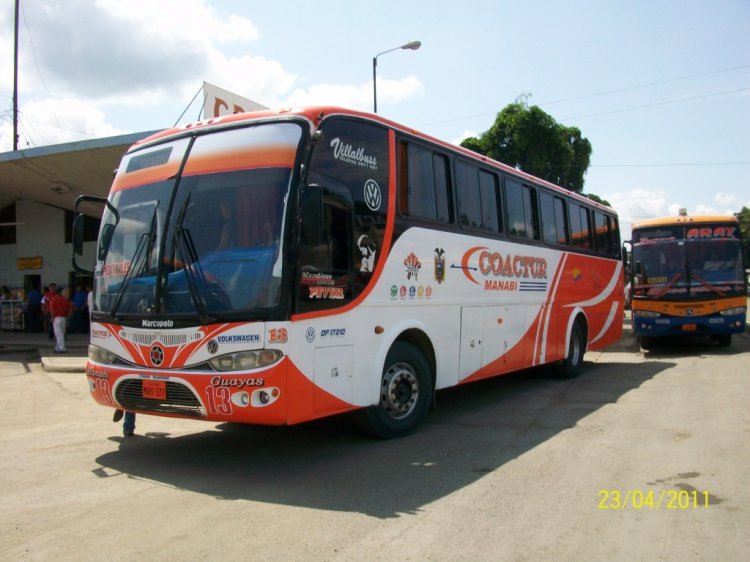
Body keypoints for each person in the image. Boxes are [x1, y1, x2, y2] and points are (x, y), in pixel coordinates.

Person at [48, 286, 72, 353]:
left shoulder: (53, 299)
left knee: (58, 334)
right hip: (63, 318)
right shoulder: (64, 299)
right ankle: (57, 348)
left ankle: (62, 348)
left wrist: (52, 317)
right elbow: (70, 308)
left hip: (56, 318)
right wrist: (67, 315)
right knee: (61, 333)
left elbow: (52, 310)